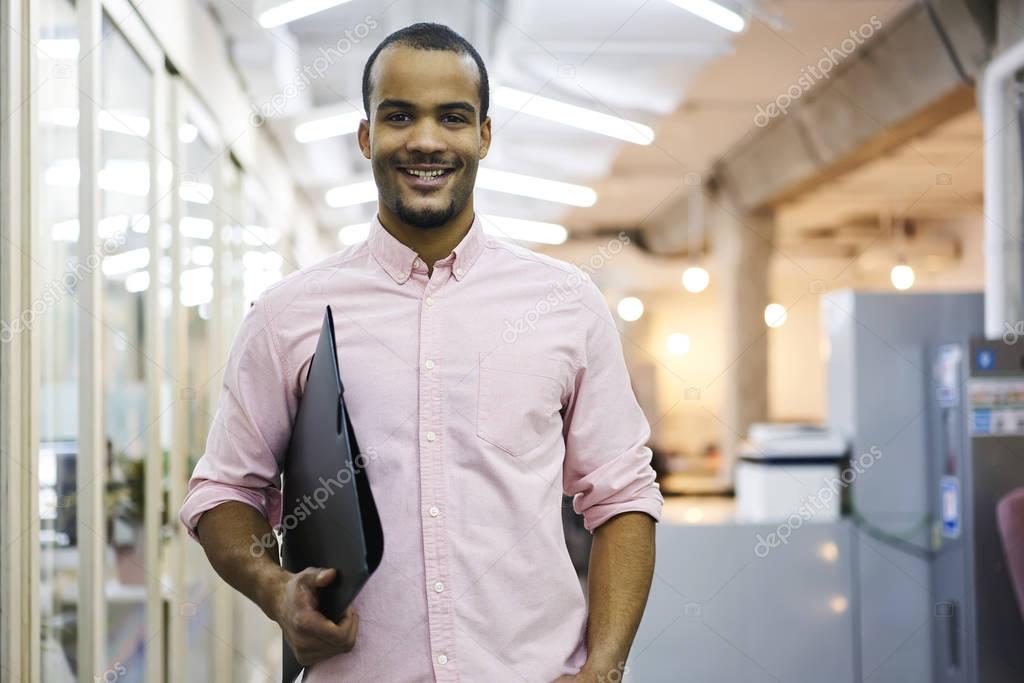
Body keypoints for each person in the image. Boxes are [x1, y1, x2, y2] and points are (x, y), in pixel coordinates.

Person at [179, 22, 663, 682]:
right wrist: (275, 590)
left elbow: (624, 496)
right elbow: (223, 491)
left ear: (484, 136)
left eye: (453, 117)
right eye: (400, 116)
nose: (428, 140)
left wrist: (604, 666)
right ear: (366, 135)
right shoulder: (285, 315)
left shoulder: (566, 304)